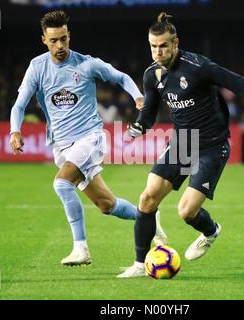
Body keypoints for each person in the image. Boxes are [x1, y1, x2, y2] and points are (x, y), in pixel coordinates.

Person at [117, 12, 244, 278]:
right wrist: (140, 125)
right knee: (147, 198)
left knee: (186, 211)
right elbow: (149, 112)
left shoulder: (198, 67)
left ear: (175, 43)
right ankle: (138, 264)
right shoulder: (152, 75)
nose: (158, 52)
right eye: (153, 46)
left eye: (163, 46)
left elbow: (242, 85)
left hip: (213, 146)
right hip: (184, 141)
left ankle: (211, 231)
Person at [9, 10, 167, 266]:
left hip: (89, 138)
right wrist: (14, 130)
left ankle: (81, 249)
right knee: (107, 205)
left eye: (63, 39)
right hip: (61, 145)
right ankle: (149, 217)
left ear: (69, 36)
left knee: (62, 184)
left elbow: (121, 77)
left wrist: (138, 96)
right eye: (53, 41)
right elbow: (19, 104)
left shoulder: (86, 64)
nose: (59, 46)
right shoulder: (37, 67)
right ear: (44, 41)